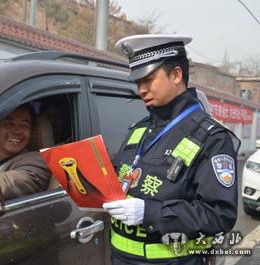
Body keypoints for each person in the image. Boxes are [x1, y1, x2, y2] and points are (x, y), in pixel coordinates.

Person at [102, 34, 240, 265]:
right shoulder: (139, 130)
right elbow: (120, 175)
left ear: (176, 74)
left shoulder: (211, 137)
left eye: (148, 80)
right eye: (138, 83)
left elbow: (219, 214)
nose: (141, 90)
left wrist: (150, 213)